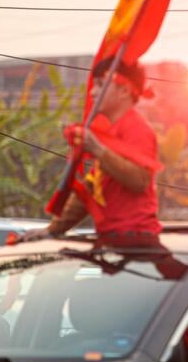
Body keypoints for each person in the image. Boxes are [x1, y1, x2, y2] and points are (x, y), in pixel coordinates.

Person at [20, 57, 161, 242]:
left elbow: (140, 180)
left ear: (124, 90)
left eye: (101, 85)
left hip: (136, 239)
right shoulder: (110, 132)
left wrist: (98, 149)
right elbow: (91, 189)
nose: (93, 93)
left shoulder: (136, 129)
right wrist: (53, 229)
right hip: (115, 238)